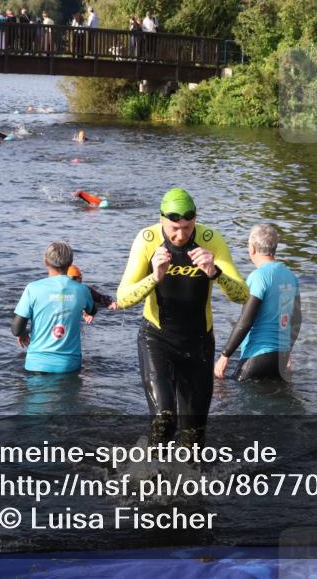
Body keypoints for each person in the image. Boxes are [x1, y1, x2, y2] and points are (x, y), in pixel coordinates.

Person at [117, 188, 248, 447]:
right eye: (174, 228)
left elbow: (242, 295)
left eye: (187, 228)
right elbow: (123, 298)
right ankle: (149, 475)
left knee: (194, 436)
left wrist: (215, 272)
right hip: (157, 340)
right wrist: (154, 276)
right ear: (162, 220)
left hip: (198, 344)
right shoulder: (147, 240)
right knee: (164, 420)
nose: (180, 235)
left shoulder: (211, 240)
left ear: (195, 219)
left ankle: (189, 483)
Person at [214, 224, 302, 381]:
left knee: (227, 395)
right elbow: (296, 319)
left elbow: (246, 320)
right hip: (280, 358)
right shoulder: (290, 276)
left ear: (252, 248)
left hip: (257, 356)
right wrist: (287, 349)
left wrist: (225, 355)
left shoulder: (258, 277)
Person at [12, 241, 95, 373]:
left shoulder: (32, 289)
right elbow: (92, 310)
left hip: (37, 365)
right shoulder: (82, 290)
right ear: (70, 263)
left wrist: (23, 333)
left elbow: (16, 329)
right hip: (69, 366)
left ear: (45, 262)